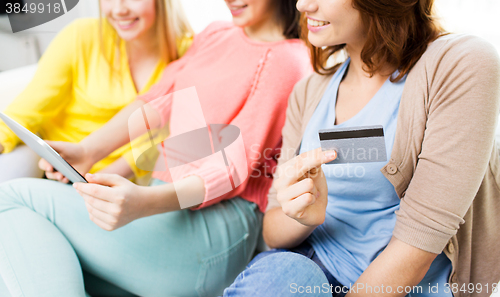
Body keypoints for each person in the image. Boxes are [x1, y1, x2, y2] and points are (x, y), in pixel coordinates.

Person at [0, 0, 312, 296]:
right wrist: (87, 151)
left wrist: (144, 202)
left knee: (9, 198)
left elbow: (231, 168)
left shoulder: (288, 60)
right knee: (19, 255)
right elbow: (159, 100)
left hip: (213, 232)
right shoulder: (217, 33)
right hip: (161, 206)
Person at [223, 0, 500, 296]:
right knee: (283, 276)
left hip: (395, 286)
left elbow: (419, 242)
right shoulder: (308, 92)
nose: (302, 4)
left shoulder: (461, 63)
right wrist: (302, 217)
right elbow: (272, 230)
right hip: (301, 268)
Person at [0, 0, 193, 184]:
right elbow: (26, 110)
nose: (119, 10)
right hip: (59, 171)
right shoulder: (81, 36)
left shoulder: (191, 54)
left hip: (125, 184)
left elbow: (165, 140)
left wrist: (97, 182)